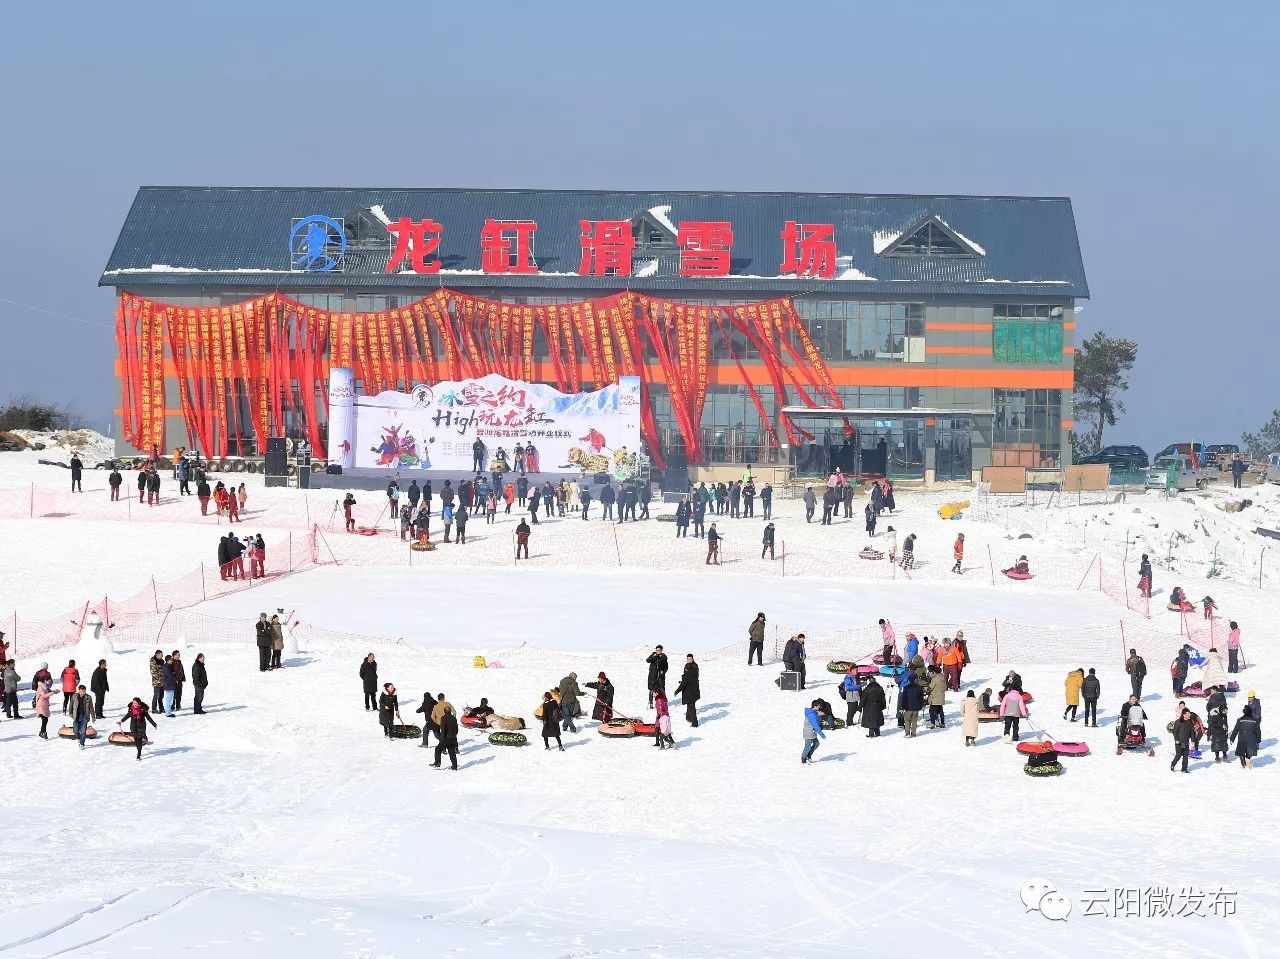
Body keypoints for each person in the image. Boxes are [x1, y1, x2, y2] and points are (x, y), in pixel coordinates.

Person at [1230, 705, 1260, 769]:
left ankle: (1243, 763)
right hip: (1252, 738)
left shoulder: (1240, 720)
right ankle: (1248, 758)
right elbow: (1258, 730)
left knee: (1241, 751)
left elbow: (1236, 730)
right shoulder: (1255, 721)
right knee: (1251, 750)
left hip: (1242, 737)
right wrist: (1258, 739)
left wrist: (1232, 738)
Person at [674, 654, 700, 727]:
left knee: (691, 707)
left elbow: (685, 682)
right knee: (690, 704)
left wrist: (677, 691)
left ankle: (695, 724)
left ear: (692, 659)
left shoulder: (692, 668)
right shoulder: (692, 666)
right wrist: (683, 681)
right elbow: (688, 679)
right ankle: (688, 718)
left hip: (690, 690)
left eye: (690, 659)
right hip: (694, 689)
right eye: (688, 659)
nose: (689, 660)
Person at [433, 704, 459, 770]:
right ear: (450, 711)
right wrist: (454, 735)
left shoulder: (443, 718)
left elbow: (443, 729)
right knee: (452, 752)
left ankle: (437, 763)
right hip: (453, 738)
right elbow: (456, 729)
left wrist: (442, 738)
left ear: (444, 712)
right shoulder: (454, 718)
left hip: (446, 738)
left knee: (438, 749)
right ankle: (454, 766)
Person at [1170, 707, 1195, 773]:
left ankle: (1184, 769)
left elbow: (1192, 732)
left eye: (1189, 714)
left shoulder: (1190, 722)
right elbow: (1175, 732)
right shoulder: (1178, 722)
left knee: (1186, 756)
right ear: (1184, 714)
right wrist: (1176, 739)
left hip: (1186, 742)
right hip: (1179, 742)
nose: (1189, 715)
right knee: (1179, 755)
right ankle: (1173, 764)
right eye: (1188, 714)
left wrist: (1193, 740)